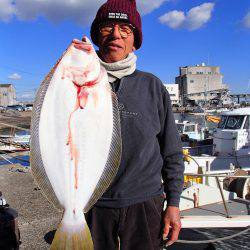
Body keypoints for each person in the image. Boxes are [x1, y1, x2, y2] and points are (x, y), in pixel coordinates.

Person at [74, 0, 184, 249]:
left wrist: (174, 203)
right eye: (107, 27)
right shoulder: (77, 83)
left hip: (146, 203)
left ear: (135, 41)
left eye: (125, 29)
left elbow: (172, 150)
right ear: (95, 37)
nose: (115, 34)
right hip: (91, 204)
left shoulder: (152, 86)